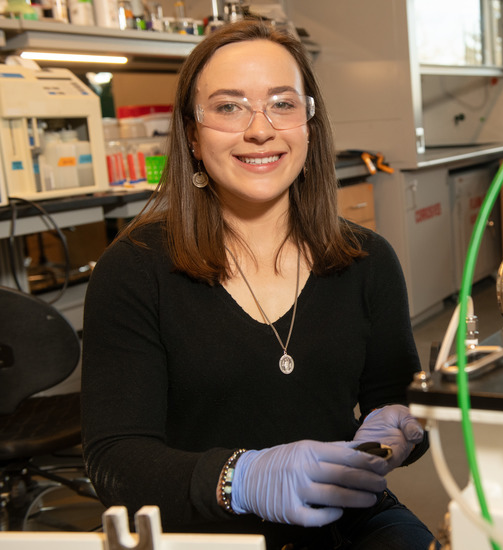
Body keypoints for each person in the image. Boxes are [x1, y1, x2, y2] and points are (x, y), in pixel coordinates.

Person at [81, 18, 439, 550]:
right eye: (228, 107)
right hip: (203, 531)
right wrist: (242, 479)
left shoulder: (367, 260)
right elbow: (117, 462)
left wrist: (405, 424)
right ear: (192, 136)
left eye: (282, 103)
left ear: (308, 126)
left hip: (345, 519)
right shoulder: (134, 270)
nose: (260, 129)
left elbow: (397, 404)